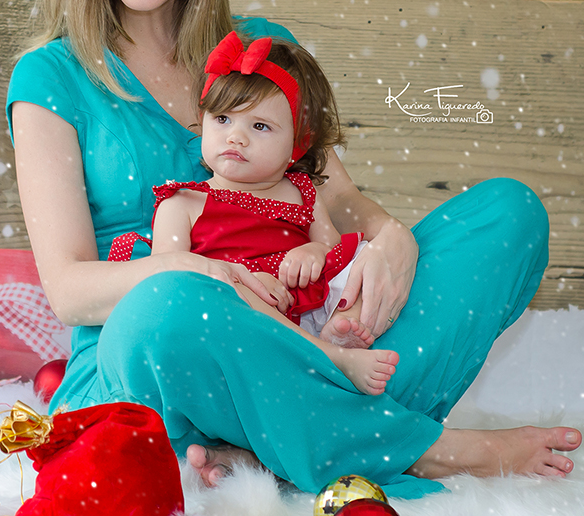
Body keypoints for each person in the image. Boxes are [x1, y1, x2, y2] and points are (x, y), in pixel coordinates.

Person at [5, 0, 580, 498]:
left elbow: (340, 198)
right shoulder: (50, 77)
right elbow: (69, 290)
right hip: (157, 362)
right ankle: (426, 450)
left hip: (311, 331)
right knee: (165, 305)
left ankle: (275, 442)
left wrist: (391, 238)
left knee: (510, 215)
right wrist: (204, 274)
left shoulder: (263, 48)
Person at [146, 31, 397, 396]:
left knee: (361, 255)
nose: (235, 137)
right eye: (222, 119)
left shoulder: (302, 192)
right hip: (235, 324)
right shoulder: (182, 204)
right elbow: (168, 280)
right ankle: (330, 357)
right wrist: (245, 279)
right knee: (221, 292)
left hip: (304, 307)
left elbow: (331, 243)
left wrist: (313, 251)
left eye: (259, 126)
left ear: (298, 144)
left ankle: (341, 329)